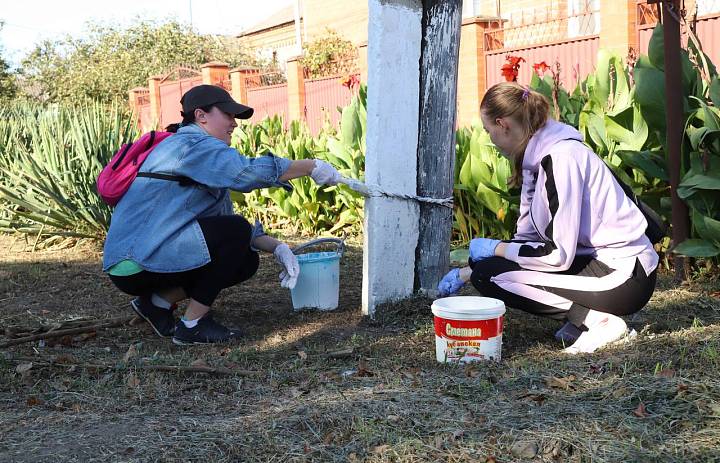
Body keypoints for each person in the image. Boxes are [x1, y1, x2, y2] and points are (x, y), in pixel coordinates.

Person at [103, 84, 343, 345]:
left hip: (143, 257)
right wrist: (309, 166)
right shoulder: (191, 144)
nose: (234, 124)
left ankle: (157, 304)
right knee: (235, 232)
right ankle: (192, 326)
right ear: (201, 116)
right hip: (136, 260)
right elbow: (245, 173)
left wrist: (278, 248)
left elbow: (227, 229)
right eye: (228, 115)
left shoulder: (199, 157)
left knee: (245, 260)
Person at [438, 82, 658, 354]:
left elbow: (557, 255)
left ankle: (597, 321)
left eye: (488, 131)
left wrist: (489, 256)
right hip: (595, 260)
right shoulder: (537, 158)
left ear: (503, 124)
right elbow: (527, 237)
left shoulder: (561, 158)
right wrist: (474, 266)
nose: (490, 140)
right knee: (484, 266)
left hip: (624, 276)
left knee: (490, 275)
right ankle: (582, 321)